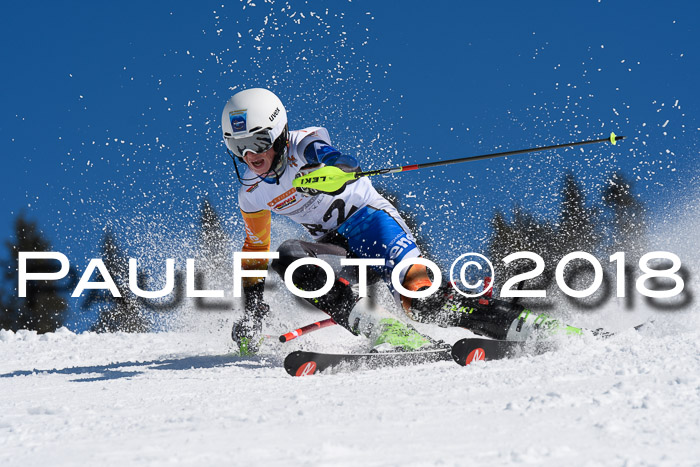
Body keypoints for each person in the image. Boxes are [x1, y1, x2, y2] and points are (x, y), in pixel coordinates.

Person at [221, 88, 546, 355]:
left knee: (421, 299)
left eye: (258, 141)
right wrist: (252, 313)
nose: (251, 155)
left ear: (278, 134)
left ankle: (526, 326)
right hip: (338, 250)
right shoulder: (251, 193)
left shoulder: (302, 145)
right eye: (239, 146)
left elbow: (342, 162)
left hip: (373, 225)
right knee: (289, 255)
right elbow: (254, 250)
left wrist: (329, 173)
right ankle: (384, 329)